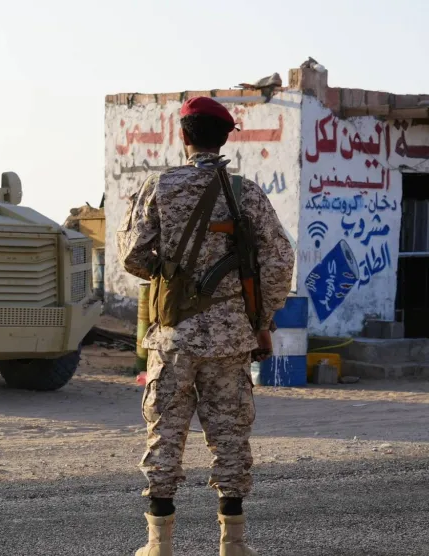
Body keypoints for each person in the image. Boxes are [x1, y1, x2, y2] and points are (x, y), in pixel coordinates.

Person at [117, 96, 295, 556]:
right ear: (225, 137)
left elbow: (133, 255)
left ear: (183, 136)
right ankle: (232, 546)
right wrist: (260, 317)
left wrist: (170, 275)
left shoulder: (158, 186)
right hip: (232, 339)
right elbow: (279, 260)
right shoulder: (246, 192)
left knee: (165, 435)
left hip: (173, 336)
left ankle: (158, 546)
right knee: (231, 437)